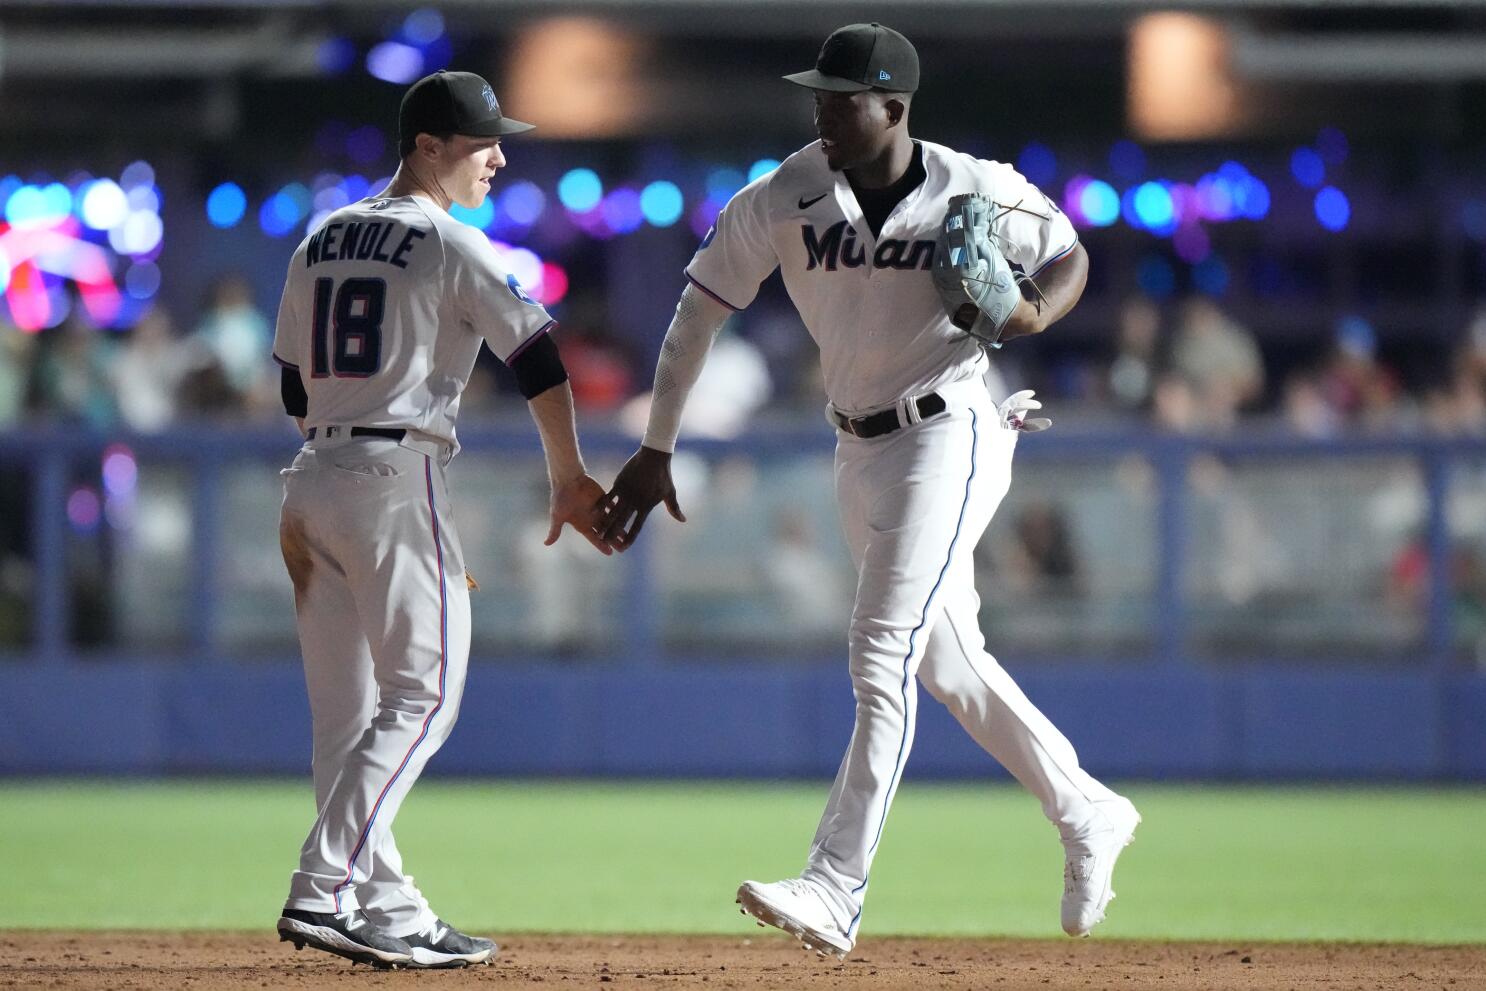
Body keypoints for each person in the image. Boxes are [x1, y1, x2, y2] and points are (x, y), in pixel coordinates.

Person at [599, 23, 1139, 957]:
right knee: (948, 662)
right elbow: (698, 308)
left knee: (880, 649)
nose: (822, 110)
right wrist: (657, 442)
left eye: (841, 97)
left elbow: (1069, 253)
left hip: (954, 427)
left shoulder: (976, 185)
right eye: (818, 95)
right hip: (858, 447)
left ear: (895, 107)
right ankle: (1088, 810)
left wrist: (1030, 309)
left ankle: (835, 885)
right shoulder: (789, 191)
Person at [270, 70, 610, 970]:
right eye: (481, 141)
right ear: (427, 146)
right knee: (425, 695)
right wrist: (569, 475)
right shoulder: (450, 241)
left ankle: (390, 905)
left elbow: (291, 387)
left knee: (345, 725)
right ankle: (324, 886)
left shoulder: (319, 237)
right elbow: (537, 356)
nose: (498, 156)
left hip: (312, 479)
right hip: (395, 474)